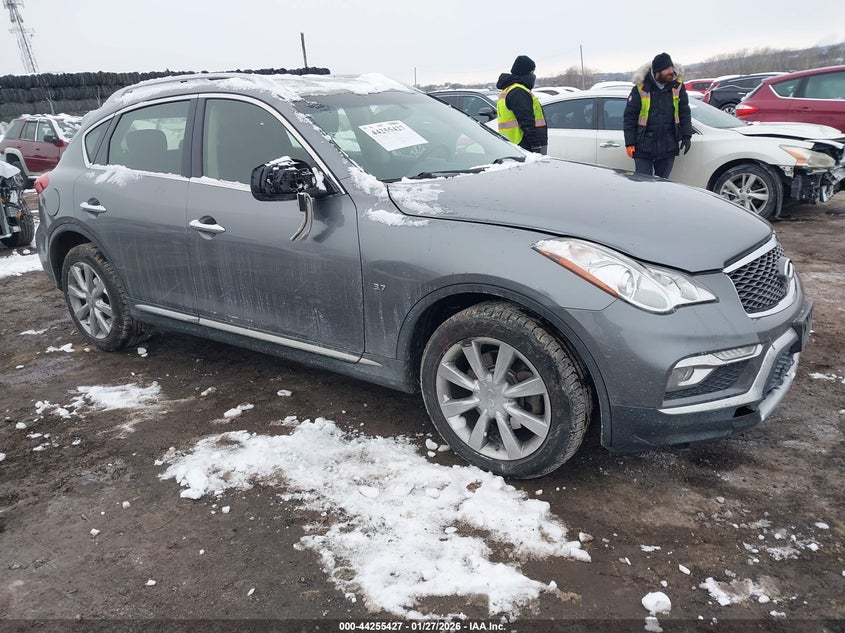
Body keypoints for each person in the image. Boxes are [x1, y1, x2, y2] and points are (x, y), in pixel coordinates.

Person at [623, 52, 693, 178]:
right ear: (657, 72)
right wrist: (630, 142)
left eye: (671, 67)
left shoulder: (677, 87)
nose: (671, 71)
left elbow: (684, 112)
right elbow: (630, 117)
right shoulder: (641, 88)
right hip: (643, 146)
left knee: (663, 186)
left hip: (668, 145)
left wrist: (687, 135)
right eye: (666, 69)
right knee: (643, 185)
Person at [496, 55, 548, 154]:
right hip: (524, 145)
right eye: (532, 72)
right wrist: (536, 146)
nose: (533, 75)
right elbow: (527, 121)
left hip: (514, 143)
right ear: (526, 73)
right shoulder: (519, 92)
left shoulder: (508, 90)